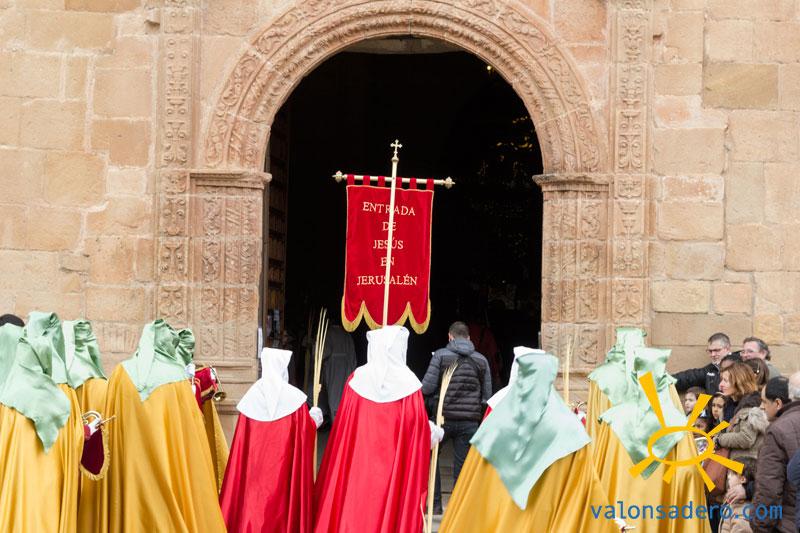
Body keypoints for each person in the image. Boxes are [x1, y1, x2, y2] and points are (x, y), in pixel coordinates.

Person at [440, 350, 620, 533]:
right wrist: (611, 524)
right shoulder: (571, 432)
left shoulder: (495, 427)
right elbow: (586, 491)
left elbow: (471, 494)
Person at [104, 320, 226, 532]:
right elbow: (191, 434)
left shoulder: (120, 373)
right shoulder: (177, 378)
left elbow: (110, 423)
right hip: (168, 465)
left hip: (130, 466)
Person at [313, 326, 437, 533]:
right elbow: (416, 429)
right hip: (392, 464)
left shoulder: (357, 380)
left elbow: (343, 427)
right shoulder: (409, 384)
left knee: (355, 503)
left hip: (358, 461)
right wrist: (431, 433)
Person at [219, 348, 323, 533]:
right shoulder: (294, 399)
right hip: (283, 472)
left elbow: (241, 445)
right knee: (281, 509)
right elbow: (305, 431)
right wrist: (315, 418)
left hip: (254, 473)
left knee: (253, 504)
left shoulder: (251, 398)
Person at [0, 314, 84, 531]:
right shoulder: (64, 395)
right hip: (52, 487)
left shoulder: (11, 397)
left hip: (17, 488)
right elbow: (77, 442)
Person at [420, 321, 492, 514]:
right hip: (469, 421)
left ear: (450, 337)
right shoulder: (481, 360)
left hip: (442, 419)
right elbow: (487, 396)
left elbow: (426, 388)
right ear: (468, 338)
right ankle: (457, 510)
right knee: (462, 466)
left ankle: (434, 504)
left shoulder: (441, 356)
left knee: (430, 457)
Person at [750, 372, 800, 532]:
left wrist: (760, 526)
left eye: (764, 401)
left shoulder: (778, 430)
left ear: (778, 403)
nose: (761, 407)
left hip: (788, 523)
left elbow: (769, 488)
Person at [716, 362, 768, 462]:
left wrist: (719, 439)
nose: (720, 385)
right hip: (732, 463)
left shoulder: (751, 406)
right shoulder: (730, 405)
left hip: (747, 466)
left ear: (739, 382)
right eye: (721, 380)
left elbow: (746, 438)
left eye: (725, 381)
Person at [319, 322, 357, 425]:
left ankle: (337, 425)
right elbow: (353, 355)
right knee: (344, 398)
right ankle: (344, 424)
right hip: (347, 370)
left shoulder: (329, 333)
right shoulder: (347, 334)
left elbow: (324, 352)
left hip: (333, 370)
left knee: (334, 399)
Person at [719, 457, 756, 533]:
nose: (728, 477)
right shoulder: (735, 503)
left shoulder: (742, 511)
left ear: (742, 479)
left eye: (731, 474)